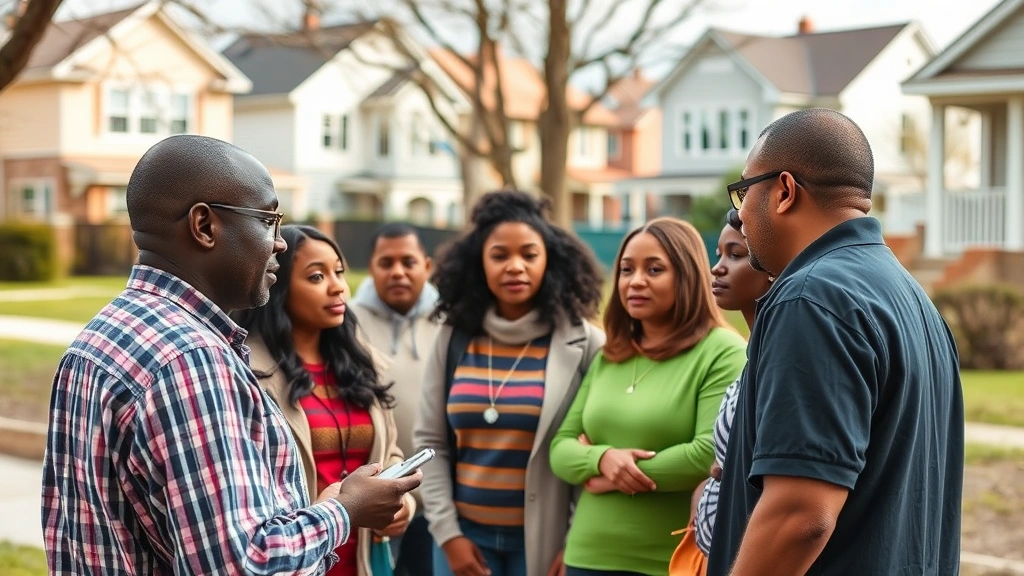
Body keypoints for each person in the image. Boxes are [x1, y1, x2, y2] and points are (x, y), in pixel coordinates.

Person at [41, 135, 420, 576]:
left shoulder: (98, 339)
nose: (279, 242)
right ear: (204, 226)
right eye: (267, 220)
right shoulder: (190, 361)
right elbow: (243, 565)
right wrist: (345, 511)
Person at [708, 108, 963, 576]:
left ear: (783, 191)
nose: (741, 215)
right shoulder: (912, 300)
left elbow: (800, 516)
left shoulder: (811, 298)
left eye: (744, 192)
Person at [414, 190, 606, 576]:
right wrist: (448, 536)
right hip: (465, 539)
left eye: (529, 255)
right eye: (500, 255)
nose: (515, 266)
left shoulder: (584, 343)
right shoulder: (453, 337)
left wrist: (575, 540)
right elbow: (430, 444)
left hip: (549, 540)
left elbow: (597, 449)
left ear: (550, 260)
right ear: (479, 263)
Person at [549, 217, 747, 576]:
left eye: (654, 269)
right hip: (587, 555)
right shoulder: (612, 353)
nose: (636, 281)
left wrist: (611, 475)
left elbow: (707, 454)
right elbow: (560, 449)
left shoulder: (722, 351)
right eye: (626, 269)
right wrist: (603, 457)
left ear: (687, 275)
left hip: (669, 561)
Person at [234, 224, 416, 576]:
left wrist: (402, 502)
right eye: (317, 277)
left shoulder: (363, 364)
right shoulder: (249, 373)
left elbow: (389, 451)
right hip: (296, 560)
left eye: (340, 272)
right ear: (280, 286)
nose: (338, 287)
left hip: (364, 561)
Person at [350, 222, 442, 576]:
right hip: (380, 500)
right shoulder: (347, 322)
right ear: (371, 268)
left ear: (427, 266)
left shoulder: (448, 322)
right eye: (386, 263)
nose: (398, 272)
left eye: (408, 261)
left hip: (440, 500)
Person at [689, 209, 774, 564]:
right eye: (719, 253)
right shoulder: (756, 352)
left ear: (772, 267)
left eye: (736, 255)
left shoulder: (776, 358)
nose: (717, 267)